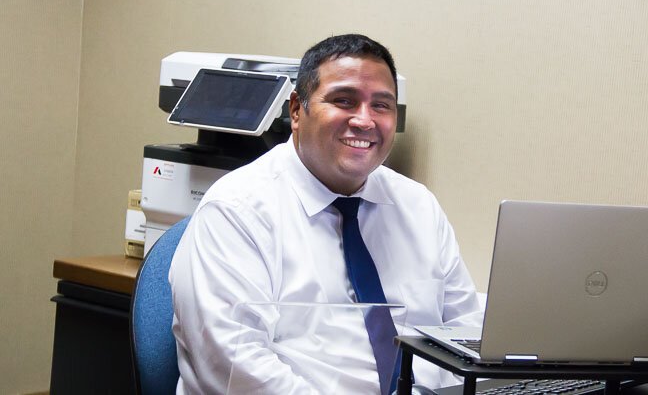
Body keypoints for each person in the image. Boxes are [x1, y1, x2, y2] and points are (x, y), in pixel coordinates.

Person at [169, 34, 483, 394]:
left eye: (381, 106)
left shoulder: (418, 207)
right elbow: (235, 369)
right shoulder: (235, 212)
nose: (364, 121)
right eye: (343, 101)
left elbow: (466, 332)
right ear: (297, 110)